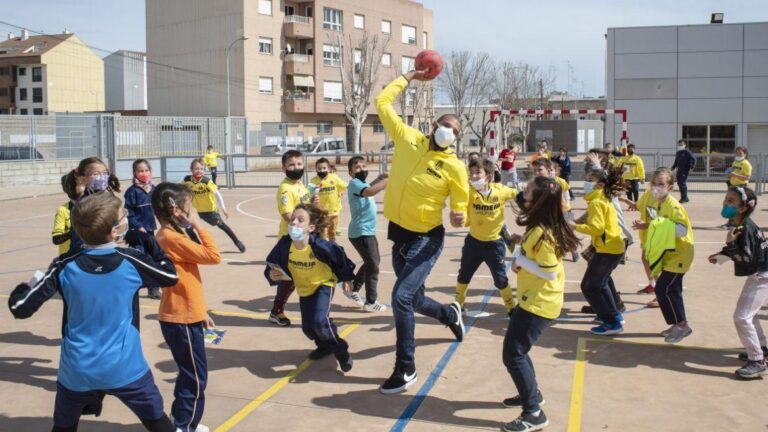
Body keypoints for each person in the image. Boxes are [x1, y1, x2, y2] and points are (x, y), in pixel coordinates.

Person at [8, 192, 179, 432]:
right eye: (123, 216)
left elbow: (20, 307)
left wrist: (24, 287)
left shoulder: (64, 265)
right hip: (124, 367)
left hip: (77, 370)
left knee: (64, 427)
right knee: (157, 422)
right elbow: (170, 275)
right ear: (113, 231)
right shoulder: (131, 261)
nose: (126, 218)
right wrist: (149, 241)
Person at [375, 70, 468, 394]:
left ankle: (406, 367)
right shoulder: (408, 137)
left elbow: (461, 205)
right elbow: (382, 102)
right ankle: (449, 314)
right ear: (433, 125)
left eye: (455, 130)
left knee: (400, 297)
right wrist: (408, 77)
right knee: (413, 299)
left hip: (427, 238)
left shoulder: (455, 167)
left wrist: (459, 215)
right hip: (399, 232)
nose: (449, 131)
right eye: (446, 125)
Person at [501, 176, 580, 432]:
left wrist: (521, 262)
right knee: (519, 351)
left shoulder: (542, 234)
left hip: (539, 304)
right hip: (534, 299)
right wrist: (520, 255)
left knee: (513, 354)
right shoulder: (538, 227)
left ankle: (533, 413)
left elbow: (550, 272)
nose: (522, 193)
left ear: (538, 201)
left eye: (527, 191)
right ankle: (531, 393)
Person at [151, 182, 221, 432]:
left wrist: (201, 312)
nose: (193, 212)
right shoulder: (171, 238)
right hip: (181, 318)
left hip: (186, 314)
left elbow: (188, 282)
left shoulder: (170, 235)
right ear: (176, 211)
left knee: (189, 373)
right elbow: (213, 256)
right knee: (196, 377)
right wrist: (198, 225)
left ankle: (181, 419)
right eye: (190, 208)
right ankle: (184, 425)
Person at [265, 204, 356, 371]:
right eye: (293, 219)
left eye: (301, 220)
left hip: (323, 284)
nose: (294, 222)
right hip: (304, 287)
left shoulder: (319, 246)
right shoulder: (285, 245)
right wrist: (271, 274)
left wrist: (347, 277)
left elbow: (339, 256)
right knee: (308, 329)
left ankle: (341, 351)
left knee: (319, 321)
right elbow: (271, 263)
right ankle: (324, 345)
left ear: (311, 228)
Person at [709, 186, 768, 378]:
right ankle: (761, 349)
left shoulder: (745, 228)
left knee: (741, 317)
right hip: (760, 275)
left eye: (730, 201)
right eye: (726, 199)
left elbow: (747, 259)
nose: (725, 203)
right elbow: (746, 252)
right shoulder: (742, 224)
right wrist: (722, 255)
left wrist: (730, 244)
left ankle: (757, 360)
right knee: (750, 314)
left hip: (762, 277)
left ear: (742, 208)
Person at [631, 168, 694, 343]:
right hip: (669, 254)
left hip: (680, 255)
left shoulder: (674, 206)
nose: (656, 187)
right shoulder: (657, 202)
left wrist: (652, 225)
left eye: (661, 184)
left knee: (662, 289)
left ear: (670, 187)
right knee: (673, 291)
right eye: (654, 183)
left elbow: (681, 230)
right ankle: (678, 324)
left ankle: (682, 325)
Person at [454, 157, 518, 315]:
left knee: (500, 279)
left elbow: (519, 194)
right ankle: (458, 305)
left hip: (494, 244)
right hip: (473, 243)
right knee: (464, 275)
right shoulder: (469, 191)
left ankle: (511, 307)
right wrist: (459, 216)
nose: (473, 176)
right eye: (471, 173)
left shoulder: (500, 190)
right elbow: (459, 203)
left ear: (488, 176)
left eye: (478, 173)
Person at [570, 166, 627, 335]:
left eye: (590, 181)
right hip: (611, 247)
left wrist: (575, 226)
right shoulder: (602, 198)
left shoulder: (597, 202)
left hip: (608, 249)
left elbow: (597, 228)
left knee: (589, 286)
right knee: (601, 284)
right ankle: (614, 316)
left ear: (600, 185)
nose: (586, 184)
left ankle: (611, 322)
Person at [271, 149, 316, 326]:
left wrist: (314, 203)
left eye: (299, 164)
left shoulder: (300, 185)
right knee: (288, 277)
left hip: (303, 237)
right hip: (290, 239)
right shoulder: (285, 188)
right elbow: (288, 215)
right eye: (291, 165)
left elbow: (305, 206)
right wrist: (303, 224)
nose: (296, 167)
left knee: (304, 274)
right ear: (284, 168)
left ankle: (312, 309)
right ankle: (276, 311)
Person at [344, 155, 389, 312]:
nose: (361, 169)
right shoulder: (355, 183)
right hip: (361, 232)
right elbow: (369, 191)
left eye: (364, 166)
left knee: (372, 262)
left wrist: (379, 179)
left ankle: (354, 289)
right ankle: (371, 301)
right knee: (373, 266)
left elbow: (368, 186)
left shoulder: (361, 183)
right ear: (350, 173)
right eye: (357, 168)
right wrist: (386, 182)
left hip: (367, 231)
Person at [60, 156, 122, 254]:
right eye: (95, 174)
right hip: (85, 252)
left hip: (107, 249)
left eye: (105, 173)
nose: (102, 177)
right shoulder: (83, 205)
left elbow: (118, 227)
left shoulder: (111, 198)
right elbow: (79, 237)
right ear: (82, 179)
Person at [183, 158, 246, 253]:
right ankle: (199, 247)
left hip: (210, 210)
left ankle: (237, 242)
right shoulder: (187, 180)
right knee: (188, 227)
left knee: (221, 225)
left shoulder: (207, 182)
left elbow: (217, 195)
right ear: (191, 170)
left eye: (201, 169)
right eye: (196, 168)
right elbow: (180, 190)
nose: (199, 171)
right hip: (196, 210)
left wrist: (223, 209)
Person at [125, 159, 161, 299]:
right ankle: (130, 288)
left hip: (149, 231)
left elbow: (159, 208)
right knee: (138, 259)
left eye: (146, 170)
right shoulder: (132, 191)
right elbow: (129, 213)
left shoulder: (154, 189)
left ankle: (153, 289)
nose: (144, 173)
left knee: (152, 259)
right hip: (137, 233)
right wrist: (138, 226)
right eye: (140, 171)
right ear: (134, 173)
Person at [531, 159, 578, 262]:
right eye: (534, 170)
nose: (537, 172)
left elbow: (566, 195)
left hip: (565, 211)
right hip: (550, 215)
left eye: (540, 170)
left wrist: (568, 209)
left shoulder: (556, 182)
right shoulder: (536, 183)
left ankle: (574, 252)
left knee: (568, 233)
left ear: (550, 170)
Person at [309, 157, 348, 242]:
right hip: (321, 212)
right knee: (322, 233)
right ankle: (323, 247)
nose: (322, 170)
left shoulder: (334, 178)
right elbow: (309, 195)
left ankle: (333, 246)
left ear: (329, 169)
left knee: (332, 232)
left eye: (324, 168)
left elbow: (344, 186)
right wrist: (312, 199)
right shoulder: (313, 181)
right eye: (319, 168)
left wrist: (341, 191)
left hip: (333, 211)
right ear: (316, 169)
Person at [52, 175, 83, 256]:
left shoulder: (90, 206)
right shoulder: (63, 210)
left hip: (86, 255)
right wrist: (73, 232)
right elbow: (56, 239)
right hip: (69, 256)